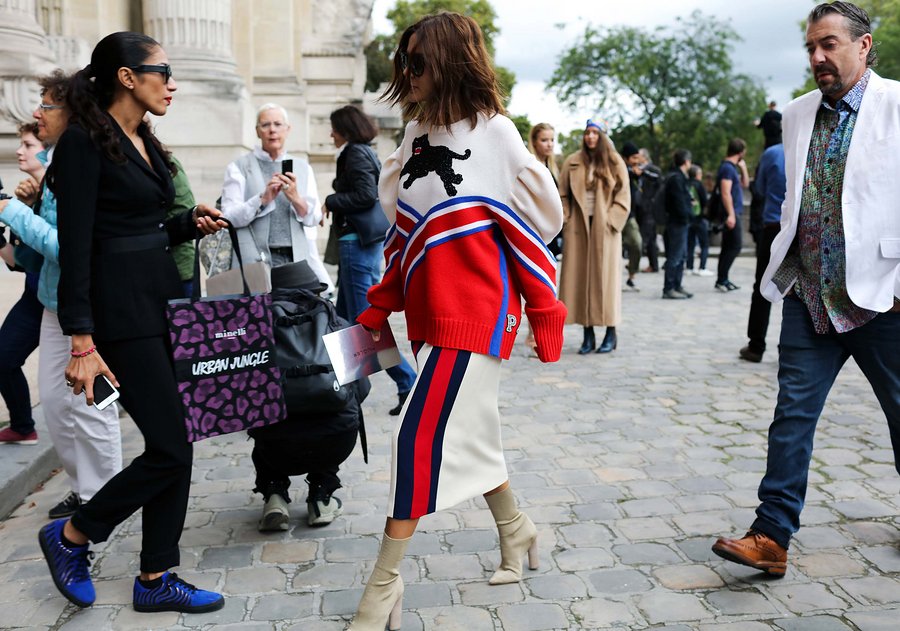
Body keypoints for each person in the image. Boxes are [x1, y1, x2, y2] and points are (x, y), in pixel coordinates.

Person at [347, 13, 566, 630]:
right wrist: (378, 307)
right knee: (468, 436)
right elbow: (405, 240)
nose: (406, 74)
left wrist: (546, 310)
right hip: (427, 319)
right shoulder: (415, 131)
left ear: (449, 61)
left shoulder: (496, 135)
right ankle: (517, 531)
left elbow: (530, 235)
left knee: (417, 436)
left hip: (479, 315)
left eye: (418, 63)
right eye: (403, 62)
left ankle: (382, 588)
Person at [35, 31, 226, 613]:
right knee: (168, 445)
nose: (172, 82)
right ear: (126, 76)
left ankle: (155, 577)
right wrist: (81, 337)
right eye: (161, 71)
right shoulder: (83, 145)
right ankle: (73, 535)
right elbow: (80, 244)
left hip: (160, 302)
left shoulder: (142, 137)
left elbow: (137, 231)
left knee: (180, 441)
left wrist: (186, 225)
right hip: (118, 317)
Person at [712, 2, 900, 577]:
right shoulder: (796, 114)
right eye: (811, 48)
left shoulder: (897, 104)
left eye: (829, 45)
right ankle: (771, 535)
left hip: (883, 295)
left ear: (863, 46)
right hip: (810, 291)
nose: (818, 57)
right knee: (791, 414)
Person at [0, 72, 125, 521]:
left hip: (89, 308)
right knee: (56, 405)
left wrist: (8, 208)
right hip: (55, 305)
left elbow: (67, 246)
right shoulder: (54, 162)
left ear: (71, 111)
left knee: (96, 408)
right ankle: (84, 489)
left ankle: (104, 500)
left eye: (47, 105)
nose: (37, 113)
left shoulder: (78, 159)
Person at [250, 260, 365, 531]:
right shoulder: (339, 322)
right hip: (336, 440)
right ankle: (321, 498)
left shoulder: (254, 329)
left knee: (263, 425)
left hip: (276, 446)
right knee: (337, 420)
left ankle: (275, 494)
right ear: (316, 291)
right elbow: (363, 390)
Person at [323, 104, 417, 416]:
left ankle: (407, 382)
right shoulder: (361, 152)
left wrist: (330, 200)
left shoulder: (355, 153)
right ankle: (351, 389)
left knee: (364, 321)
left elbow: (366, 194)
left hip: (357, 243)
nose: (330, 133)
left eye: (334, 128)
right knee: (344, 324)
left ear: (345, 129)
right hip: (359, 243)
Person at [220, 103, 322, 269]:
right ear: (257, 131)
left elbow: (314, 218)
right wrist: (262, 199)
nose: (272, 130)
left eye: (278, 124)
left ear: (288, 129)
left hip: (296, 258)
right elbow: (229, 217)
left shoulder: (303, 167)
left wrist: (295, 198)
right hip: (254, 259)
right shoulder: (238, 167)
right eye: (265, 124)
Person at [559, 119, 630, 354]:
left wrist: (612, 220)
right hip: (579, 228)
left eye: (595, 133)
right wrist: (566, 218)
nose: (590, 137)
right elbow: (562, 194)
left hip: (605, 229)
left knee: (606, 281)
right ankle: (587, 335)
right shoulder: (572, 162)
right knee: (580, 282)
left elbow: (624, 195)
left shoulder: (613, 161)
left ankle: (611, 332)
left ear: (602, 136)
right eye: (587, 132)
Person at [0, 123, 47, 446]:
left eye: (28, 145)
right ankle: (22, 426)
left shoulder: (56, 196)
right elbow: (20, 261)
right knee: (3, 359)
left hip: (61, 300)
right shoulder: (27, 194)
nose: (19, 151)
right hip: (36, 296)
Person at [740, 141, 786, 363]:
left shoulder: (772, 153)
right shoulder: (812, 146)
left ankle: (756, 345)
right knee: (799, 292)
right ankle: (788, 349)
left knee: (763, 285)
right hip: (802, 228)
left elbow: (759, 189)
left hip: (773, 227)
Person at [715, 138, 750, 292]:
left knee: (728, 246)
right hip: (731, 212)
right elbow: (725, 193)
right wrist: (731, 215)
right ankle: (722, 279)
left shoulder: (731, 168)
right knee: (735, 246)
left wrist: (743, 169)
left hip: (733, 211)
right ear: (741, 152)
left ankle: (723, 279)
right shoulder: (727, 168)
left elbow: (745, 185)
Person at [661, 149, 694, 300]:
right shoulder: (676, 178)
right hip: (677, 222)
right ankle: (669, 287)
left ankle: (676, 284)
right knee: (675, 256)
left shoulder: (677, 177)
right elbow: (678, 202)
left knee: (681, 256)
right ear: (686, 161)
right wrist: (687, 213)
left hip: (679, 222)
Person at [620, 141, 644, 291]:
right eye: (634, 157)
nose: (637, 161)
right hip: (614, 214)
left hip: (630, 215)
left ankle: (632, 274)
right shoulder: (620, 169)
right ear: (626, 158)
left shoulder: (635, 173)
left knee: (637, 243)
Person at [638, 148, 663, 273]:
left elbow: (659, 184)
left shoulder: (652, 170)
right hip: (643, 207)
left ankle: (637, 262)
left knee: (646, 236)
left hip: (650, 208)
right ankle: (653, 264)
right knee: (650, 238)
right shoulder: (639, 170)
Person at [685, 165, 713, 277]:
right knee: (704, 244)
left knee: (690, 244)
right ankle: (702, 267)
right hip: (699, 218)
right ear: (697, 174)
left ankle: (689, 267)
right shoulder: (699, 185)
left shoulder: (685, 184)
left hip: (688, 218)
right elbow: (705, 202)